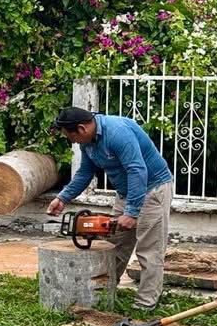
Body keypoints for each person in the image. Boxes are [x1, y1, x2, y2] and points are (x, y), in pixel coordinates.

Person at [46, 107, 174, 309]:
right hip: (126, 192)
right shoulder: (87, 141)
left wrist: (131, 212)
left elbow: (137, 169)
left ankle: (146, 303)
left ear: (81, 129)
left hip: (152, 189)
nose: (73, 142)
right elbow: (85, 172)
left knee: (149, 250)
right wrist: (63, 197)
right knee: (115, 244)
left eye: (71, 138)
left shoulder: (117, 132)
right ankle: (106, 292)